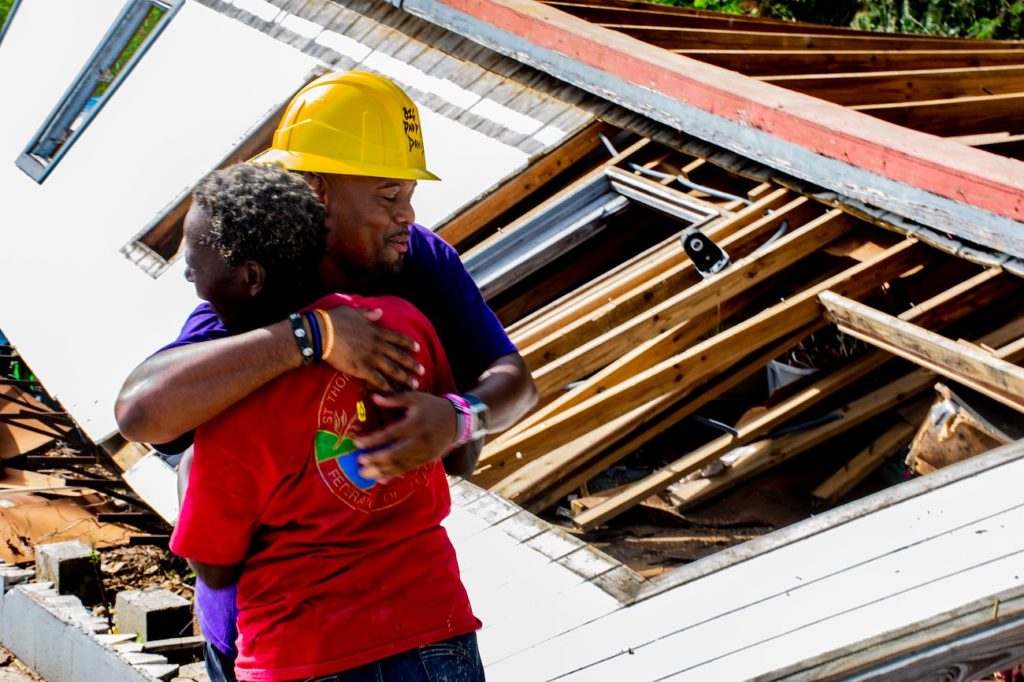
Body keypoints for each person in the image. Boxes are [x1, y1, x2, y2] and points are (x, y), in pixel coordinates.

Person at [116, 71, 535, 679]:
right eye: (389, 195)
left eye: (409, 193)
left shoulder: (418, 263)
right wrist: (313, 337)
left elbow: (513, 381)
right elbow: (141, 411)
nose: (408, 215)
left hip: (360, 638)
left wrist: (458, 418)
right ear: (316, 191)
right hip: (269, 642)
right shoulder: (259, 289)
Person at [170, 162, 484, 681]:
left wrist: (189, 479)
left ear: (250, 277)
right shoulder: (404, 324)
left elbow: (216, 567)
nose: (191, 282)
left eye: (194, 266)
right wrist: (459, 419)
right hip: (437, 633)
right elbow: (463, 451)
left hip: (301, 655)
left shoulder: (226, 413)